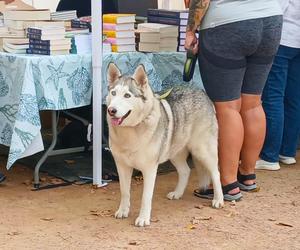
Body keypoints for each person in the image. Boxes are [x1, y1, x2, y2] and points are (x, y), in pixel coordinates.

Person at [185, 0, 283, 201]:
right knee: (253, 103)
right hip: (271, 19)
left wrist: (189, 30)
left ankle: (227, 183)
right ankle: (247, 174)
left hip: (226, 23)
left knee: (227, 108)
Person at [256, 0, 300, 171]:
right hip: (297, 41)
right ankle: (287, 152)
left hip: (283, 39)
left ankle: (270, 156)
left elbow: (276, 10)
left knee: (273, 97)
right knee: (293, 99)